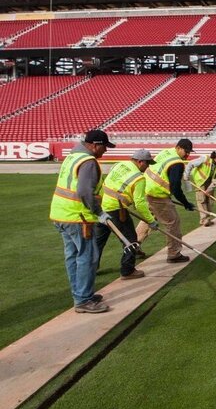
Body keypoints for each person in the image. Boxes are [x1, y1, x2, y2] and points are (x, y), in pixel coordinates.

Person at [49, 129, 115, 314]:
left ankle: (80, 294)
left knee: (73, 256)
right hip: (78, 217)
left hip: (61, 214)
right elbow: (85, 192)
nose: (105, 151)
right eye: (104, 147)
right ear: (95, 145)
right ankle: (84, 299)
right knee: (88, 257)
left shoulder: (73, 157)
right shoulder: (88, 162)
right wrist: (99, 212)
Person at [96, 149, 158, 280]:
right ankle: (127, 270)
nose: (148, 167)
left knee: (98, 241)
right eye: (147, 164)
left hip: (102, 208)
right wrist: (151, 221)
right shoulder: (139, 178)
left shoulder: (120, 164)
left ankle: (91, 268)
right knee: (131, 240)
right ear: (140, 162)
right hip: (117, 211)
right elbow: (140, 203)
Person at [136, 138, 196, 263]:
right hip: (158, 195)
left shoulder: (166, 152)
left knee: (148, 220)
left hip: (147, 190)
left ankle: (134, 247)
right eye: (186, 151)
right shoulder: (177, 163)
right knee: (172, 222)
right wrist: (186, 203)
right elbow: (175, 188)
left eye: (190, 152)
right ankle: (174, 254)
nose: (188, 155)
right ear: (178, 148)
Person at [184, 150, 216, 226]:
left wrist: (209, 189)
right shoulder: (205, 158)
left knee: (210, 200)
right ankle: (204, 219)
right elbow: (190, 164)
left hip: (210, 183)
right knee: (202, 200)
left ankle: (208, 218)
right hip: (200, 182)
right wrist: (186, 175)